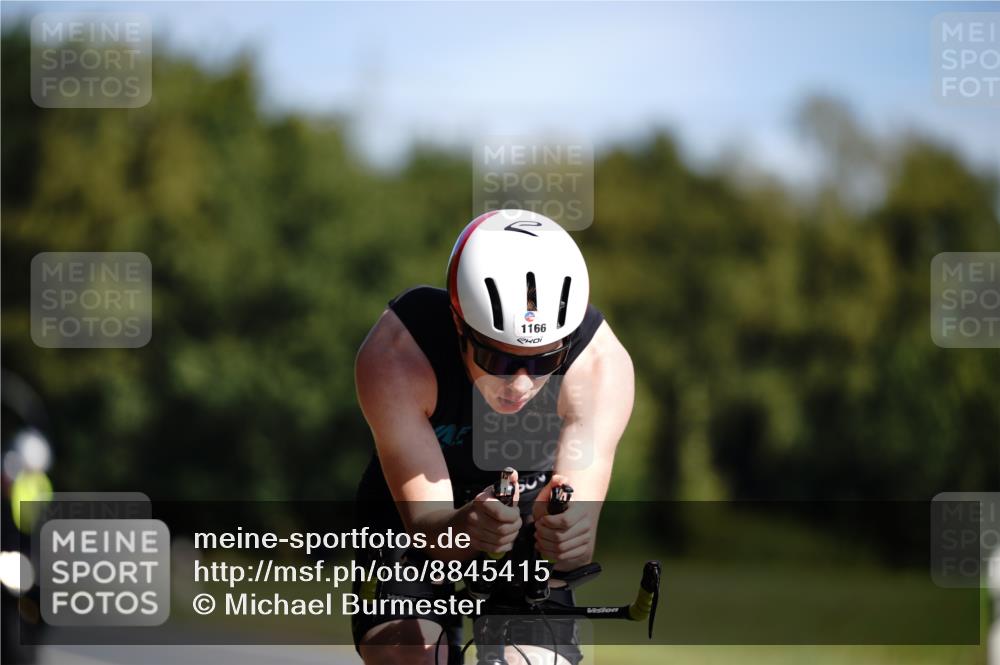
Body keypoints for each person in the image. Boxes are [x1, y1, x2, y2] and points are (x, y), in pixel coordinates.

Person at [352, 209, 635, 664]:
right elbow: (428, 527)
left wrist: (568, 531)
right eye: (500, 360)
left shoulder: (600, 365)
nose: (520, 385)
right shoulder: (398, 355)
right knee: (414, 654)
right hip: (412, 514)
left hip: (526, 506)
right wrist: (465, 528)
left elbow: (576, 537)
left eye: (544, 361)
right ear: (459, 324)